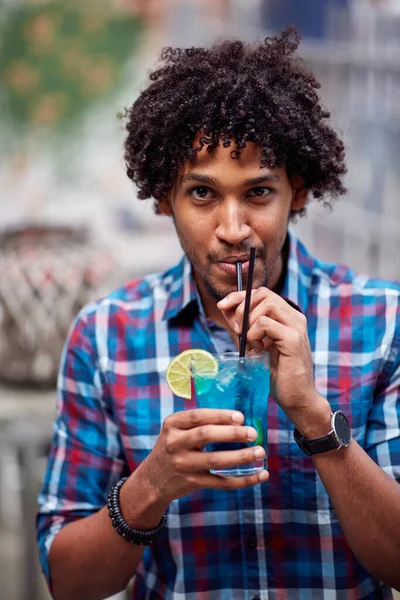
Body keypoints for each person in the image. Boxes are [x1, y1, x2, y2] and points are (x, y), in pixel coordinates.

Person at [37, 28, 400, 600]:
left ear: (298, 192)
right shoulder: (106, 336)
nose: (233, 231)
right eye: (202, 194)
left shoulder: (383, 322)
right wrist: (151, 484)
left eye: (258, 192)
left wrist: (313, 417)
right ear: (163, 198)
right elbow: (68, 582)